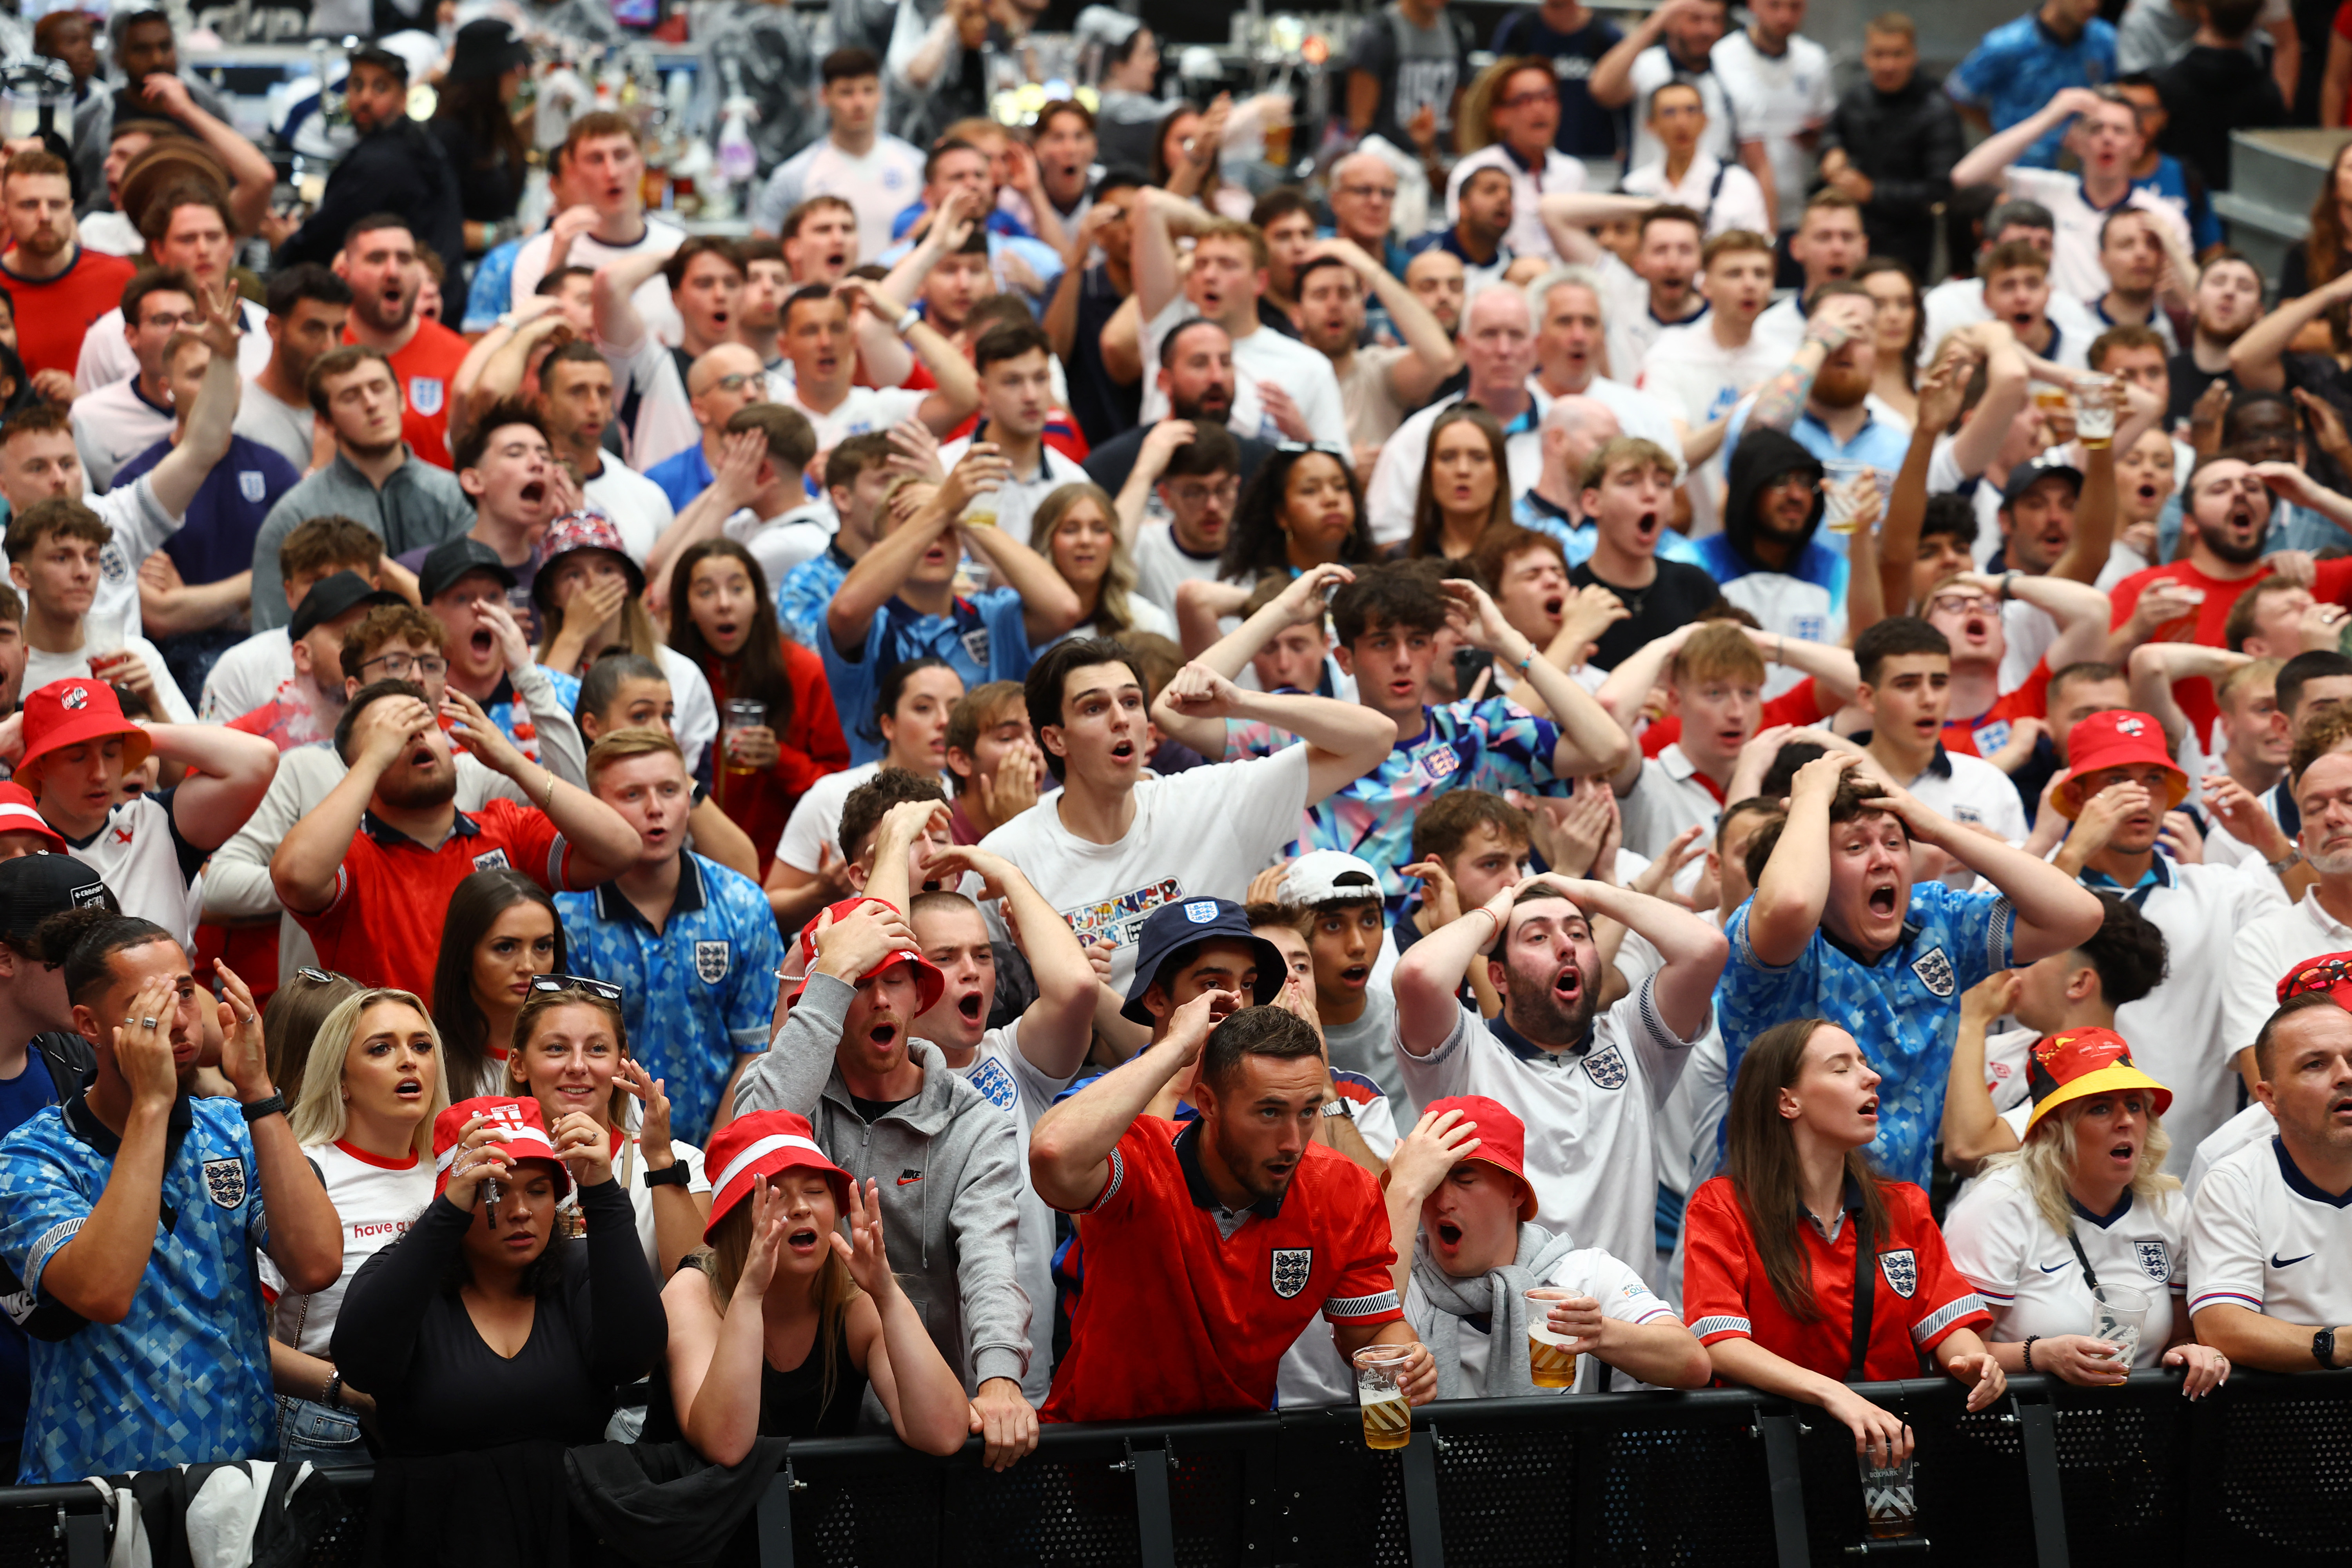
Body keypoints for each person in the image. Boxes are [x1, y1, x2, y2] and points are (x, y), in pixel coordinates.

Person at [0, 917, 340, 1483]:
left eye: (185, 992)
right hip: (91, 1494)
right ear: (88, 1024)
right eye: (149, 1002)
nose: (180, 1020)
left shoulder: (235, 1128)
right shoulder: (32, 1156)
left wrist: (257, 1091)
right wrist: (152, 1107)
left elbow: (315, 1265)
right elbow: (103, 1293)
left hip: (241, 1484)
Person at [1030, 985, 1434, 1423]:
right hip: (1106, 1451)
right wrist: (1177, 1047)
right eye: (1269, 1112)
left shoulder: (1344, 1189)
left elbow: (1371, 1332)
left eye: (1307, 1111)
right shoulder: (1142, 1161)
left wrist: (1407, 1357)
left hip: (1241, 1458)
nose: (1293, 1142)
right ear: (1208, 1104)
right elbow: (1053, 1153)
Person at [735, 895, 1040, 1468]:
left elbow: (990, 1261)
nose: (880, 1001)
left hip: (926, 1424)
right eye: (859, 982)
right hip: (798, 1428)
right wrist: (828, 975)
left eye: (897, 982)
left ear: (920, 996)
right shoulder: (786, 1091)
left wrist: (999, 1376)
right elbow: (754, 1145)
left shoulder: (973, 1122)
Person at [1723, 753, 2106, 1186]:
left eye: (1894, 842)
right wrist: (1811, 794)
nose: (1883, 859)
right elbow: (1791, 901)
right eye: (1855, 846)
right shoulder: (1774, 941)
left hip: (1899, 1223)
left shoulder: (1936, 918)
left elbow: (2079, 916)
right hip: (1770, 1218)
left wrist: (1937, 828)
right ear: (1818, 869)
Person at [982, 634, 1396, 995]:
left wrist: (1242, 702)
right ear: (1055, 739)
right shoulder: (1006, 858)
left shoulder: (1209, 799)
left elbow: (1375, 738)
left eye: (1131, 702)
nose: (1121, 719)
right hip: (1085, 1075)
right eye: (1094, 708)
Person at [1682, 1017, 2005, 1462]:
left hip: (1891, 1450)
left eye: (1864, 1063)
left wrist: (1975, 1362)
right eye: (1841, 1068)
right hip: (1768, 1460)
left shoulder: (1904, 1205)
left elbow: (1947, 1328)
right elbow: (1719, 1343)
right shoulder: (1722, 1206)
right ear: (1788, 1101)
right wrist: (1833, 1395)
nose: (1871, 1076)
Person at [330, 1093, 665, 1470]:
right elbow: (362, 1365)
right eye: (496, 1191)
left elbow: (635, 1356)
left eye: (539, 1191)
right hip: (439, 1520)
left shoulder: (579, 1268)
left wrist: (603, 1194)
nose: (521, 1211)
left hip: (567, 1520)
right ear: (455, 1199)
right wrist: (445, 1218)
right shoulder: (402, 1274)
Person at [270, 677, 639, 999]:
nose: (414, 734)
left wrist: (512, 761)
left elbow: (622, 848)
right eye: (392, 732)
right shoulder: (351, 858)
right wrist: (371, 762)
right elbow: (295, 876)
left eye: (424, 724)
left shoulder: (506, 827)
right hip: (402, 1072)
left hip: (511, 1072)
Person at [652, 1106, 969, 1472]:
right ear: (735, 1221)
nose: (802, 1207)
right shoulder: (692, 1293)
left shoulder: (855, 1302)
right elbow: (726, 1446)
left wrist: (887, 1296)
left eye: (815, 1190)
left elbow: (943, 1433)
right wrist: (751, 1294)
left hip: (809, 1526)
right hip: (692, 1521)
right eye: (776, 1196)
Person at [1942, 1025, 2230, 1394]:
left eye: (2134, 1105)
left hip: (2135, 1431)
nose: (2125, 1120)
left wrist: (2190, 1354)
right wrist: (2041, 1356)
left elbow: (2178, 1337)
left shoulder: (2168, 1205)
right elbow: (1959, 1356)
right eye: (2100, 1108)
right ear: (2054, 1129)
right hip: (2023, 1429)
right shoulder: (1998, 1205)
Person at [1385, 1095, 1710, 1396]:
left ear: (1516, 1193)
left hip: (1558, 1458)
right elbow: (1366, 1326)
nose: (1442, 1202)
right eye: (1430, 1182)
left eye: (1464, 1181)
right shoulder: (1400, 1278)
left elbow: (1694, 1365)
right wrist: (1404, 1187)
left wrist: (1599, 1333)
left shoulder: (1584, 1274)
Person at [554, 730, 784, 1147]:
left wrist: (717, 1164)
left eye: (669, 790)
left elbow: (758, 1053)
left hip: (721, 1149)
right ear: (595, 809)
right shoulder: (567, 916)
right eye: (632, 795)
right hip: (601, 1156)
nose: (656, 809)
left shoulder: (742, 904)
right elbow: (563, 1061)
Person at [267, 985, 450, 1468]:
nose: (408, 1061)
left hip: (443, 1418)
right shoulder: (302, 1172)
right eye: (381, 1048)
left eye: (422, 1045)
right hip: (329, 1425)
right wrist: (343, 1391)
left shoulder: (454, 1173)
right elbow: (240, 1339)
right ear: (341, 1079)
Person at [823, 449, 1080, 763]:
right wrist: (941, 505)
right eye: (916, 526)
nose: (934, 538)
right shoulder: (870, 622)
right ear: (882, 551)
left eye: (946, 529)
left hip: (988, 802)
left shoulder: (992, 615)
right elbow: (846, 610)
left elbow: (1065, 608)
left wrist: (966, 515)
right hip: (889, 801)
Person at [16, 670, 275, 948]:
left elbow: (260, 760)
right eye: (78, 758)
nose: (100, 774)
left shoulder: (156, 819)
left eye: (112, 753)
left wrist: (134, 729)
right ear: (39, 766)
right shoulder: (15, 844)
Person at [116, 333, 301, 698]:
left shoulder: (275, 469)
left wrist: (194, 603)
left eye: (225, 372)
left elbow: (303, 590)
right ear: (168, 389)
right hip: (171, 672)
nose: (217, 385)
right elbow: (162, 616)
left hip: (271, 662)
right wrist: (260, 586)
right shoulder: (139, 480)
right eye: (199, 373)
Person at [503, 975, 712, 1285]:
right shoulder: (495, 1162)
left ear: (620, 1063)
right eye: (557, 1048)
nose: (577, 1066)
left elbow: (697, 1287)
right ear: (519, 1064)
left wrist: (659, 1158)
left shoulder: (681, 1160)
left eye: (597, 1049)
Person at [247, 347, 472, 630]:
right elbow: (273, 636)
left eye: (379, 388)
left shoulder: (455, 497)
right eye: (350, 397)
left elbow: (475, 617)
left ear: (402, 398)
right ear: (326, 422)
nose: (371, 403)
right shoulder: (296, 515)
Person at [2187, 993, 2352, 1371]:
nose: (2345, 1074)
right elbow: (2221, 1326)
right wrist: (2337, 1344)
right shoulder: (2235, 1181)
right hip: (2286, 1416)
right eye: (2316, 1064)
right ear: (2270, 1098)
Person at [668, 539, 846, 873]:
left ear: (758, 601)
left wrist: (781, 760)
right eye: (706, 592)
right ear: (687, 610)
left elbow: (840, 788)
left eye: (737, 589)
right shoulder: (671, 676)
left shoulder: (803, 671)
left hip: (782, 868)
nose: (724, 604)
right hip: (685, 863)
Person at [1131, 194, 1349, 448]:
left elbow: (1341, 470)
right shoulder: (1169, 330)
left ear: (1260, 281)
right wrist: (1216, 228)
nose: (1210, 276)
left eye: (1227, 264)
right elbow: (1150, 204)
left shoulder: (1309, 367)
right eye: (1200, 264)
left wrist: (1303, 439)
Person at [1948, 88, 2194, 307]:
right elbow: (1966, 177)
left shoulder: (2163, 216)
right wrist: (2050, 116)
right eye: (2096, 129)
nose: (2107, 139)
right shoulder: (2047, 191)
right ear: (2075, 141)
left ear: (2138, 145)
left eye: (2119, 131)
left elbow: (2189, 300)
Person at [767, 664, 965, 932]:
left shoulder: (969, 800)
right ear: (888, 724)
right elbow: (769, 908)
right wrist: (820, 893)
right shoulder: (832, 795)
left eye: (955, 710)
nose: (944, 721)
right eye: (923, 708)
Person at [274, 49, 462, 284]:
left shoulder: (381, 162)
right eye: (357, 85)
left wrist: (286, 245)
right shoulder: (416, 143)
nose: (365, 99)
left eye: (380, 88)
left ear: (403, 99)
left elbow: (322, 239)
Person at [508, 115, 684, 349]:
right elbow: (528, 350)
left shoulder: (679, 249)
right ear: (574, 172)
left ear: (641, 164)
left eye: (621, 156)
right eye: (596, 159)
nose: (611, 172)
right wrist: (556, 264)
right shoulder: (539, 255)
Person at [1851, 618, 2031, 842]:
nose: (1929, 700)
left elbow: (2028, 876)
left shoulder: (1988, 783)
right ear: (1867, 697)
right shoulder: (1832, 782)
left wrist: (2001, 853)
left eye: (1939, 683)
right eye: (1907, 684)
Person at [1816, 14, 1960, 279]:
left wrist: (1872, 193)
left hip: (1907, 242)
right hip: (1851, 238)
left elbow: (1940, 190)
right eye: (1879, 54)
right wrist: (1832, 151)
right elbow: (1833, 132)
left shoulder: (1936, 109)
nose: (1888, 65)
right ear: (1866, 57)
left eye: (1898, 54)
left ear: (1914, 56)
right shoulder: (1857, 97)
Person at [750, 49, 924, 263]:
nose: (859, 103)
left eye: (868, 91)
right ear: (824, 96)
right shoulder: (793, 177)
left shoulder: (917, 166)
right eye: (846, 93)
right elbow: (763, 254)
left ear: (881, 94)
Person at [332, 215, 472, 472]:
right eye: (376, 259)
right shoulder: (323, 349)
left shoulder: (459, 358)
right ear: (344, 272)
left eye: (405, 260)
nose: (393, 272)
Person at [432, 868, 566, 1104]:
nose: (527, 966)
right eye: (506, 947)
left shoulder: (586, 1057)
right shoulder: (426, 1061)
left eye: (543, 946)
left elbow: (630, 1139)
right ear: (464, 954)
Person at [0, 149, 135, 381]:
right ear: (5, 213)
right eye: (29, 205)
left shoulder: (119, 277)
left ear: (71, 208)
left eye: (56, 204)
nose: (45, 216)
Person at [1706, 0, 1835, 238]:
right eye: (1774, 5)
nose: (1784, 16)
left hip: (1799, 207)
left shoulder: (1814, 59)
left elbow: (1829, 130)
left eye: (1794, 7)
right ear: (1753, 5)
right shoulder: (1722, 56)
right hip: (1736, 207)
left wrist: (1818, 137)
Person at [1445, 57, 1588, 263]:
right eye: (1525, 100)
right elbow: (1464, 244)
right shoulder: (1473, 171)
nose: (1540, 108)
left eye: (1548, 97)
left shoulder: (1573, 172)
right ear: (1499, 116)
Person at [1948, 0, 2119, 169]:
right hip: (2020, 168)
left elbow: (2119, 98)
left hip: (2084, 169)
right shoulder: (2007, 44)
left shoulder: (2105, 40)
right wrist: (2001, 133)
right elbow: (1958, 93)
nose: (2092, 5)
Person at [1589, 0, 1742, 174]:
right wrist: (1656, 22)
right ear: (1670, 21)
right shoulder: (1647, 65)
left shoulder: (1731, 69)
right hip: (1648, 192)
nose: (1707, 30)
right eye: (1695, 19)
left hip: (1712, 192)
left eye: (1716, 20)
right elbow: (1601, 90)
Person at [2150, 0, 2286, 193]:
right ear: (2255, 22)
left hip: (2177, 200)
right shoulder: (2267, 95)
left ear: (2204, 12)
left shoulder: (2166, 86)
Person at [1615, 83, 1773, 243]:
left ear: (1705, 120)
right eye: (1669, 113)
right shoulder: (1634, 187)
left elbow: (1757, 245)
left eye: (1691, 110)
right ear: (1650, 125)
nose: (1681, 122)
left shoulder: (1738, 183)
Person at [234, 264, 353, 474]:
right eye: (314, 330)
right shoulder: (237, 418)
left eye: (338, 331)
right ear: (274, 328)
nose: (330, 346)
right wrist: (319, 470)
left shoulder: (350, 411)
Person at [429, 20, 530, 257]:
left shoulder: (498, 125)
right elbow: (436, 223)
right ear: (486, 75)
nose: (521, 73)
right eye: (512, 66)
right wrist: (504, 237)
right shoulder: (445, 138)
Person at [1031, 483, 1174, 643]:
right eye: (1070, 530)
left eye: (1099, 529)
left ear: (1114, 541)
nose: (1086, 541)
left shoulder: (1148, 622)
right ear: (1046, 540)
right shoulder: (1017, 621)